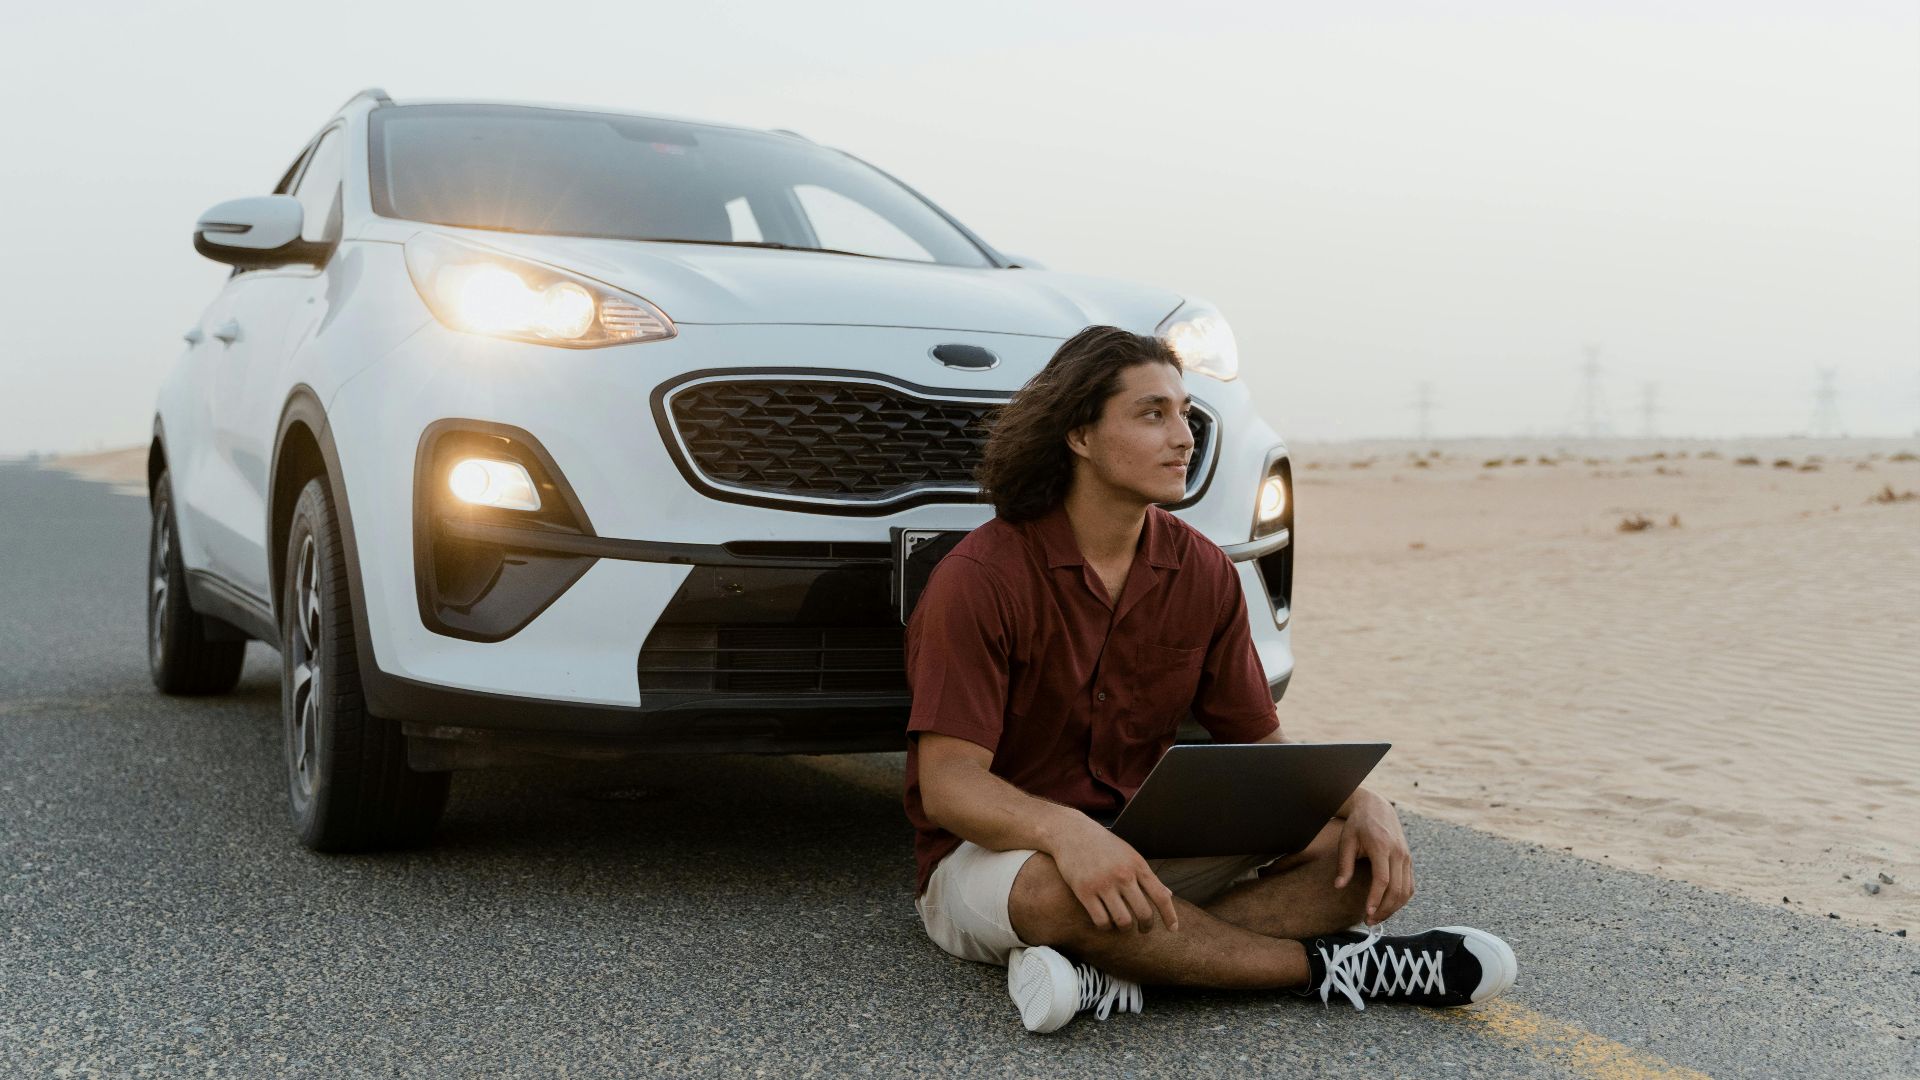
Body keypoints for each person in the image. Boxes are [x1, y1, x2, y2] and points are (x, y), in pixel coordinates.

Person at [901, 325, 1517, 1033]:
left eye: (1186, 414)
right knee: (1062, 901)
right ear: (1079, 435)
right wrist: (1067, 834)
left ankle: (1110, 966)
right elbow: (950, 785)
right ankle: (1338, 968)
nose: (1184, 437)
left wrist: (1363, 803)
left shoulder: (1203, 571)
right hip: (1001, 860)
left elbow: (1259, 742)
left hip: (1143, 845)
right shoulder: (981, 579)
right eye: (1151, 413)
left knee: (1348, 862)